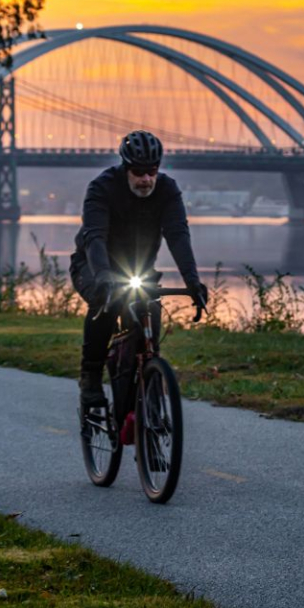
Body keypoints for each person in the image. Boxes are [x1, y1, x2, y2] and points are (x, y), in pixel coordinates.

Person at [70, 130, 208, 406]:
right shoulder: (102, 188)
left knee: (150, 321)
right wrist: (103, 275)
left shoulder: (167, 190)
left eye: (152, 171)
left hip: (139, 270)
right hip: (94, 265)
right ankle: (91, 375)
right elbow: (95, 237)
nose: (146, 179)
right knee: (106, 303)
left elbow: (178, 236)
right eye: (138, 172)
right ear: (125, 167)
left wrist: (193, 282)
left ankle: (150, 384)